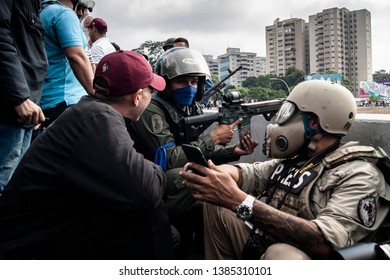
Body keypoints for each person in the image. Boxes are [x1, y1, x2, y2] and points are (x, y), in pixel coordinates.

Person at [180, 80, 390, 260]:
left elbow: (324, 244)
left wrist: (239, 200)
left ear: (314, 122)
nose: (281, 122)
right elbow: (247, 173)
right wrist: (215, 174)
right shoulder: (298, 160)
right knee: (216, 203)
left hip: (308, 263)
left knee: (282, 255)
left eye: (290, 114)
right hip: (264, 243)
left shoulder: (361, 174)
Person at [0, 50, 174, 260]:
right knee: (152, 216)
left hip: (38, 233)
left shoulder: (87, 111)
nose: (151, 95)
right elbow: (146, 190)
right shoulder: (99, 117)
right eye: (149, 90)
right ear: (137, 97)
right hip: (25, 249)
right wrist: (159, 171)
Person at [127, 47, 258, 258]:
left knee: (225, 173)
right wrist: (213, 138)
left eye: (194, 82)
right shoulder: (153, 109)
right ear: (167, 83)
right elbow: (168, 159)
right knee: (202, 178)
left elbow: (194, 151)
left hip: (173, 173)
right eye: (182, 81)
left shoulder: (190, 108)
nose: (189, 87)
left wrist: (233, 151)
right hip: (150, 178)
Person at [0, 0, 48, 191]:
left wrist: (32, 101)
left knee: (12, 184)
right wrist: (19, 97)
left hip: (26, 106)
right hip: (12, 104)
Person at [38, 0, 94, 132]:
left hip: (46, 98)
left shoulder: (43, 12)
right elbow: (77, 57)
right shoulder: (64, 14)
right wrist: (96, 94)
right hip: (65, 100)